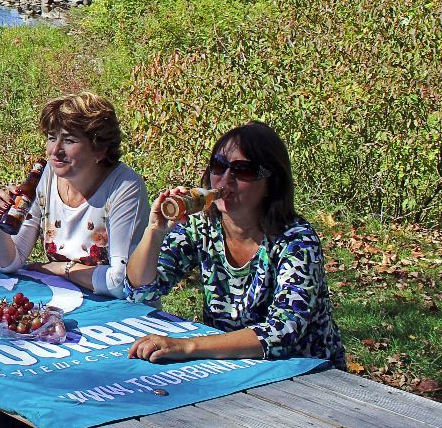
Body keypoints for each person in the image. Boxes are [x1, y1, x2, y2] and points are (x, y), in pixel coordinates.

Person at [125, 121, 346, 368]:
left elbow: (282, 332)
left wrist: (186, 346)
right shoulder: (203, 226)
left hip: (304, 373)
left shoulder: (296, 241)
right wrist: (154, 231)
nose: (225, 180)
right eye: (219, 167)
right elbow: (141, 290)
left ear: (271, 183)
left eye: (244, 171)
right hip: (228, 366)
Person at [0, 92, 149, 299]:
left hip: (123, 315)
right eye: (51, 138)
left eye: (69, 140)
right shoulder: (47, 176)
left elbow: (121, 282)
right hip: (65, 303)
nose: (55, 150)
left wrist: (63, 269)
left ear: (99, 149)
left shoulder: (124, 187)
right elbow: (11, 262)